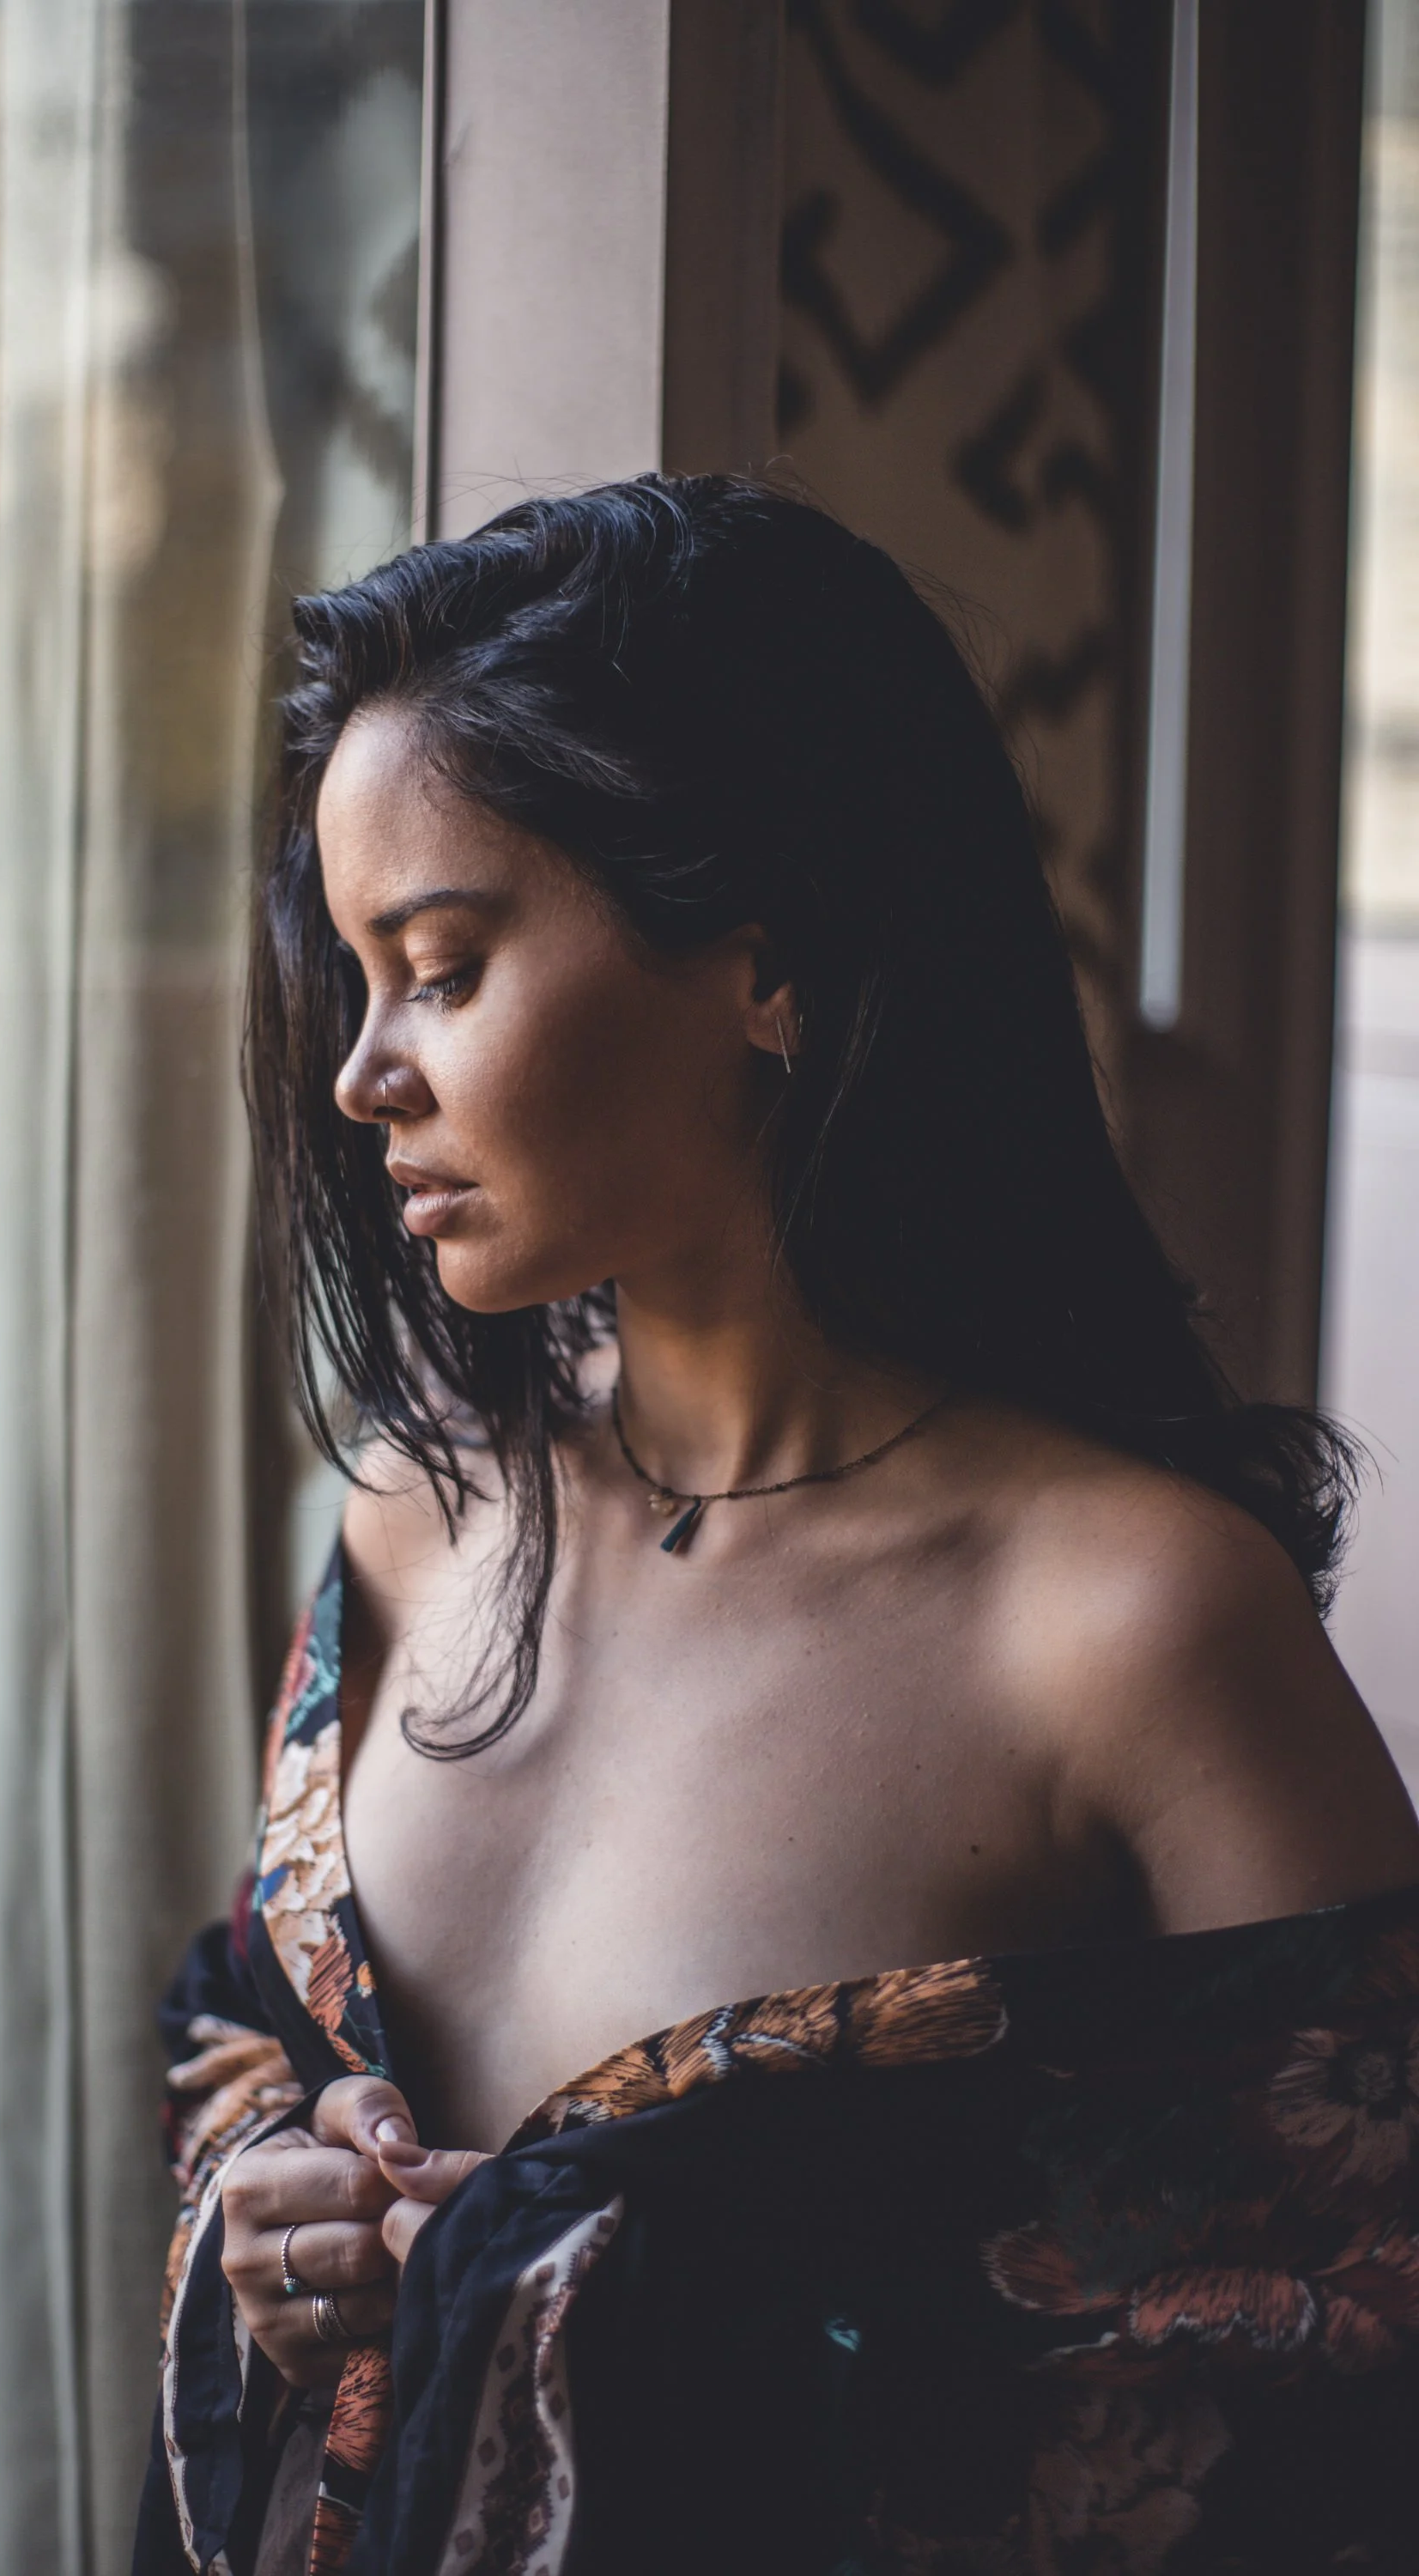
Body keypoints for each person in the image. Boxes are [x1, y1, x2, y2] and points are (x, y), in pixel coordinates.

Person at [134, 477, 1419, 2576]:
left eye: (440, 968)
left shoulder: (1127, 1621)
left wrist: (657, 2324)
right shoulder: (411, 1521)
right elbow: (233, 2048)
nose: (363, 1074)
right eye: (352, 979)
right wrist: (272, 2210)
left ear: (761, 959)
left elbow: (1351, 2352)